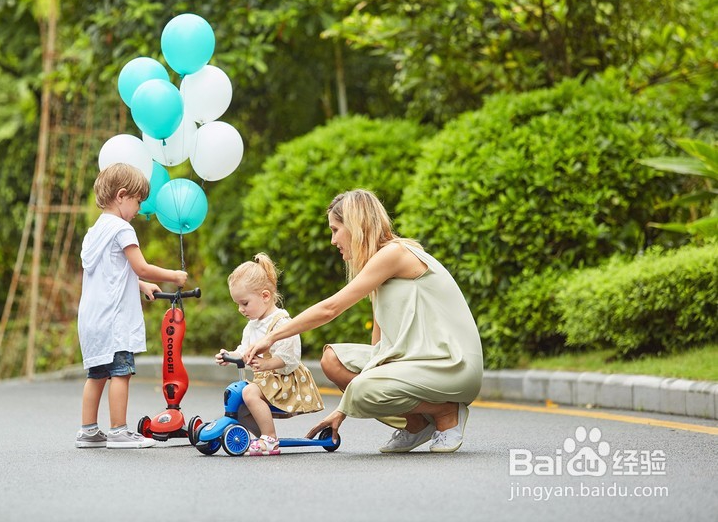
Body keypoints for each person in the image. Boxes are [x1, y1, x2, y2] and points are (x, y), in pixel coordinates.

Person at [244, 189, 483, 454]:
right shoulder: (378, 270)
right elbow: (379, 349)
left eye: (336, 230)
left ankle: (447, 412)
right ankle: (416, 425)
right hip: (416, 362)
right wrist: (346, 408)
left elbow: (330, 309)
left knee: (362, 388)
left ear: (356, 226)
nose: (333, 240)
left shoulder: (395, 254)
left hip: (452, 366)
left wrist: (271, 336)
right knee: (332, 360)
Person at [75, 163, 188, 449]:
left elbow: (113, 273)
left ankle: (88, 431)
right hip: (114, 321)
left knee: (96, 375)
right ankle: (118, 432)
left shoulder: (94, 232)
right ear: (122, 195)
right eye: (138, 201)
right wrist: (173, 276)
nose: (139, 209)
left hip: (92, 318)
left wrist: (141, 285)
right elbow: (142, 266)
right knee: (120, 372)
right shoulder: (122, 228)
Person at [215, 253, 324, 455]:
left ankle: (270, 439)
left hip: (285, 380)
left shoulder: (281, 323)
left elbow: (290, 359)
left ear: (265, 296)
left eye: (245, 303)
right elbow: (244, 351)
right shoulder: (252, 326)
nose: (240, 309)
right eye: (237, 304)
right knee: (240, 403)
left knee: (248, 392)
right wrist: (230, 355)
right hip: (267, 381)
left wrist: (267, 364)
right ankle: (262, 438)